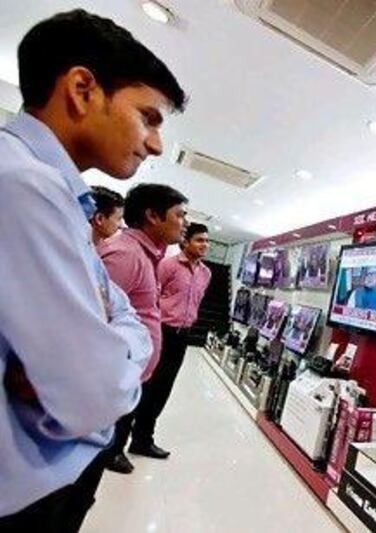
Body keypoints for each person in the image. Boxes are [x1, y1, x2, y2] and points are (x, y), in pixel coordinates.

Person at [0, 9, 185, 531]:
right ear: (82, 89)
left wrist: (114, 342)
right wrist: (117, 354)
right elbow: (92, 395)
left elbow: (121, 312)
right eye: (147, 117)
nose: (155, 143)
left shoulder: (53, 194)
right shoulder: (25, 186)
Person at [99, 184, 188, 474]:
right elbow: (94, 323)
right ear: (152, 215)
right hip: (105, 385)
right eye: (179, 215)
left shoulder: (145, 255)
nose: (184, 223)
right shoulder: (125, 256)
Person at [129, 223, 212, 458]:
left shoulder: (206, 273)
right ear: (185, 242)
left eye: (207, 241)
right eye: (199, 240)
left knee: (162, 390)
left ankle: (143, 440)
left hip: (182, 336)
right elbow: (151, 297)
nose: (204, 245)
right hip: (160, 330)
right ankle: (115, 445)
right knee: (144, 384)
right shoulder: (167, 265)